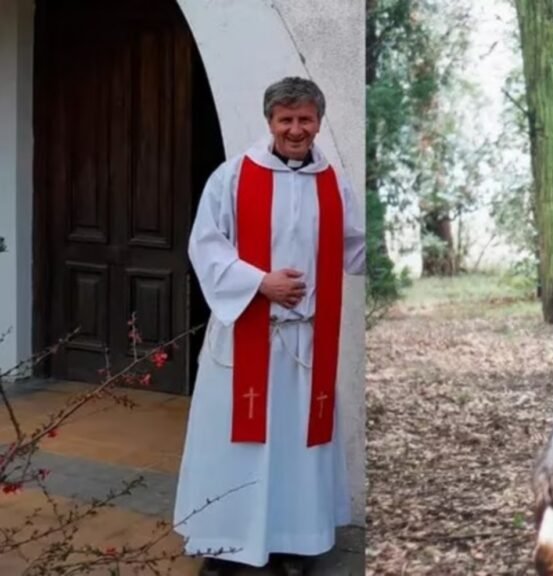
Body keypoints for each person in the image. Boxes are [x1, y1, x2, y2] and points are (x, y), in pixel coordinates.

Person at [173, 76, 365, 576]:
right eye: (286, 120)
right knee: (236, 446)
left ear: (319, 123)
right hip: (246, 341)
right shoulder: (234, 177)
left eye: (305, 120)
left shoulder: (334, 184)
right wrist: (261, 283)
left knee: (296, 450)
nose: (295, 130)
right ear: (270, 122)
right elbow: (206, 246)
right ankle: (222, 545)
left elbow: (357, 246)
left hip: (305, 345)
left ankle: (293, 544)